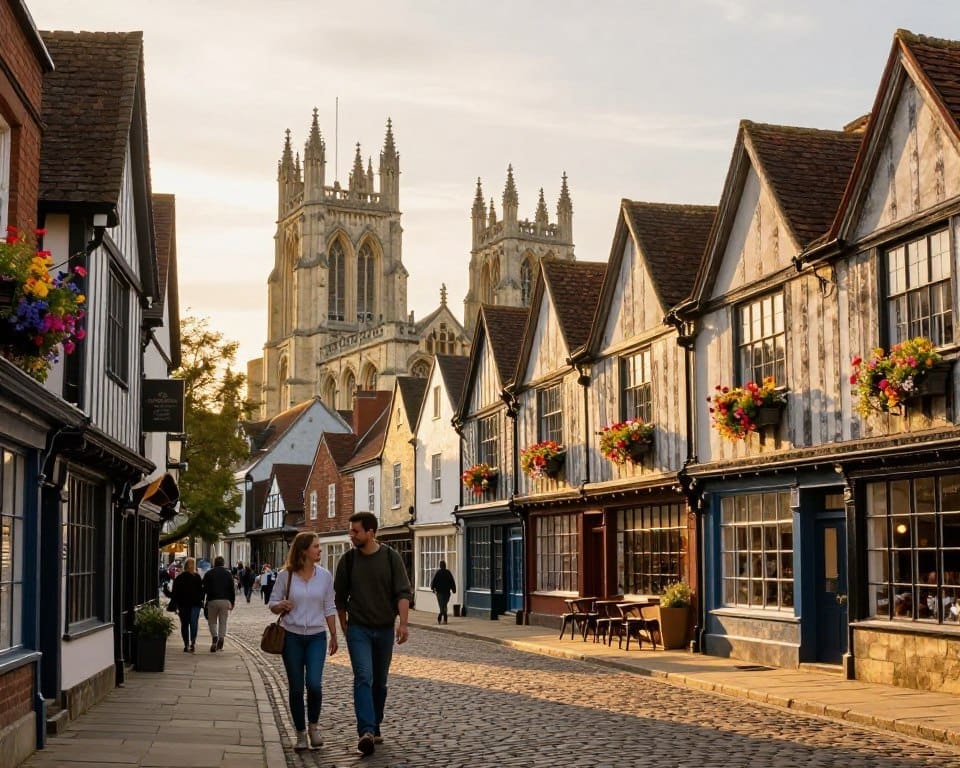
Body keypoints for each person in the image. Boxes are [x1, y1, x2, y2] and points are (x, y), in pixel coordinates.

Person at [334, 511, 412, 757]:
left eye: (355, 531)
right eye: (350, 530)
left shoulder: (391, 558)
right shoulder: (347, 561)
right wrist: (344, 624)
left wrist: (403, 623)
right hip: (358, 629)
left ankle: (375, 723)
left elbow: (402, 593)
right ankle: (366, 731)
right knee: (363, 677)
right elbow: (339, 598)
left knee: (380, 682)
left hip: (384, 629)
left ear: (371, 532)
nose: (351, 535)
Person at [270, 532, 339, 752]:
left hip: (317, 636)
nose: (319, 550)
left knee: (315, 685)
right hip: (291, 636)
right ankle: (300, 733)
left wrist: (334, 635)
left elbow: (329, 606)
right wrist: (281, 604)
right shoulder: (285, 576)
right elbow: (272, 603)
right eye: (316, 547)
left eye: (319, 546)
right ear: (303, 550)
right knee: (296, 688)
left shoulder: (325, 576)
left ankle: (314, 727)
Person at [202, 555, 235, 652]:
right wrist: (232, 601)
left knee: (212, 621)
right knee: (223, 621)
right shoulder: (228, 574)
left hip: (212, 600)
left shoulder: (209, 573)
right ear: (223, 563)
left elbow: (204, 588)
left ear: (214, 563)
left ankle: (214, 637)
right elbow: (231, 589)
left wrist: (203, 599)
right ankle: (221, 638)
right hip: (224, 600)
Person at [172, 556, 204, 652]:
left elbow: (175, 592)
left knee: (185, 624)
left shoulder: (180, 577)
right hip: (194, 604)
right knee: (193, 623)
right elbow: (201, 591)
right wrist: (201, 600)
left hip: (183, 604)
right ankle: (192, 642)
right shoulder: (197, 577)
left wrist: (176, 604)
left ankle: (186, 643)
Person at [430, 560, 456, 625]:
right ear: (445, 565)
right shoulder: (448, 572)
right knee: (444, 605)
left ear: (440, 566)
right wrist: (453, 589)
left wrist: (432, 588)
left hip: (439, 592)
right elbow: (452, 582)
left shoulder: (438, 573)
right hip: (447, 592)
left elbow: (434, 582)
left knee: (442, 605)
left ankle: (440, 616)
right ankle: (445, 619)